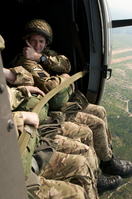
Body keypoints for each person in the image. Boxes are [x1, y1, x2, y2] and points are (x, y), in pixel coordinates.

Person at [12, 18, 132, 180]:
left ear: (46, 43)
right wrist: (66, 80)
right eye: (32, 40)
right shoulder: (25, 61)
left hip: (62, 100)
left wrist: (41, 58)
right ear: (26, 40)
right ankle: (96, 176)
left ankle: (108, 161)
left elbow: (66, 64)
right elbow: (51, 90)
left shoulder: (44, 55)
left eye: (41, 41)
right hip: (51, 107)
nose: (37, 45)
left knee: (100, 111)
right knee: (96, 124)